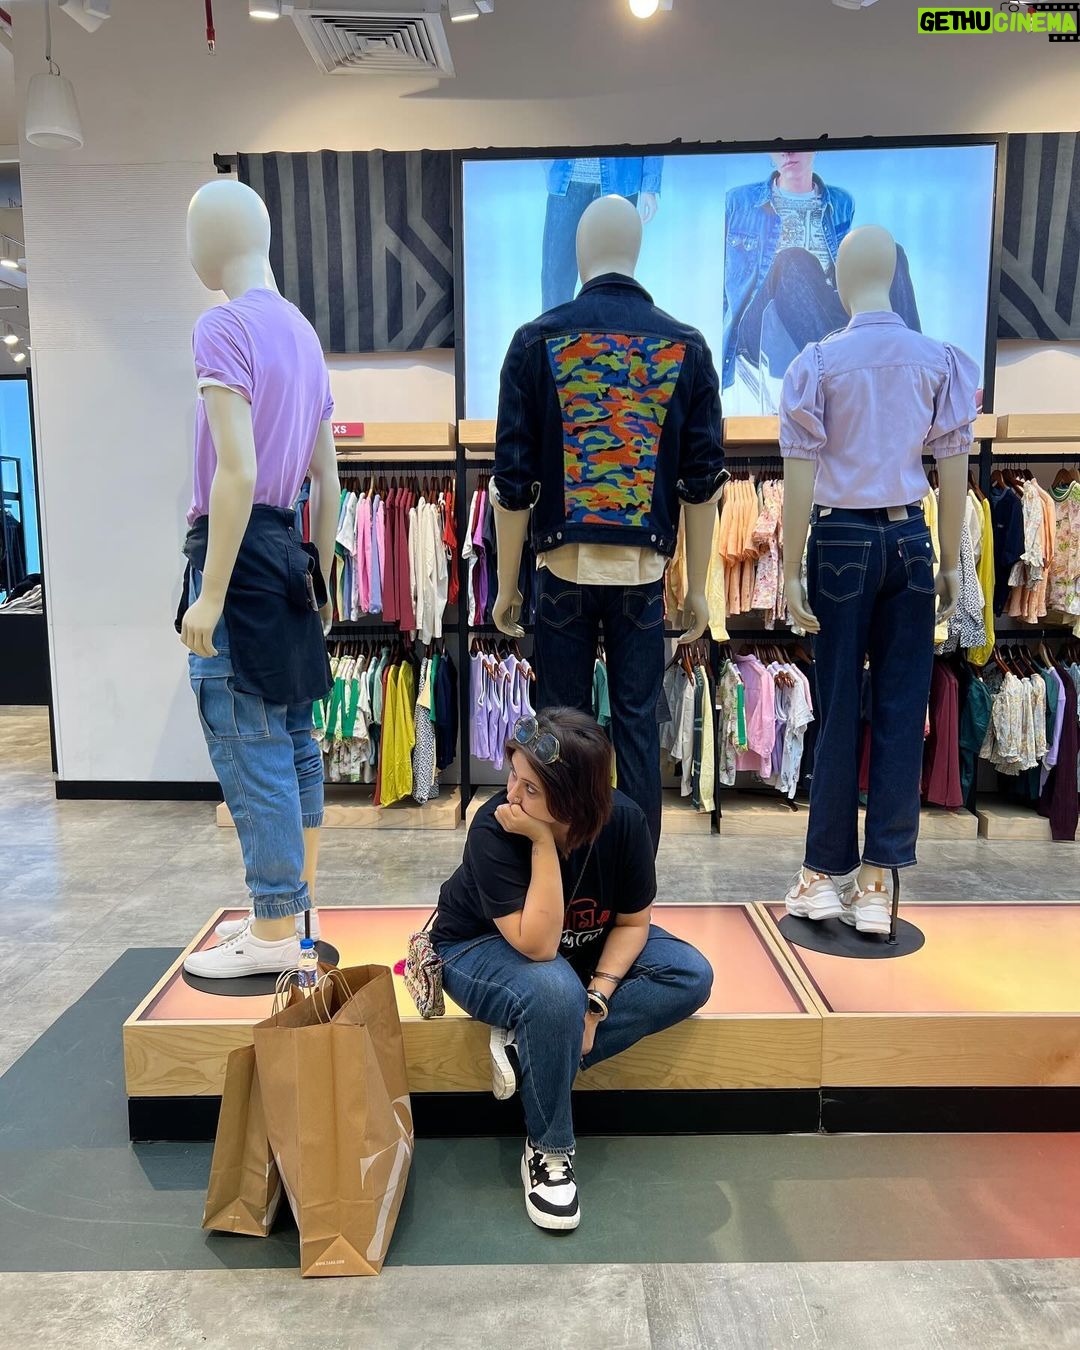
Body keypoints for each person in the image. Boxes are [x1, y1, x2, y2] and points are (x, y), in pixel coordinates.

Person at [431, 707, 713, 1232]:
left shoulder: (624, 821)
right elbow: (537, 946)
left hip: (582, 951)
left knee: (689, 974)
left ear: (578, 798)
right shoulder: (497, 827)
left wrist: (597, 1001)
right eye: (513, 775)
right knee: (556, 989)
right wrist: (541, 841)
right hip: (475, 946)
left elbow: (632, 923)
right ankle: (548, 1149)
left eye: (531, 788)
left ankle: (531, 1049)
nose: (513, 795)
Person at [721, 150, 921, 396]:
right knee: (793, 260)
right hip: (760, 323)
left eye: (797, 143)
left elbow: (841, 274)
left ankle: (915, 367)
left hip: (825, 317)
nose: (787, 152)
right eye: (779, 144)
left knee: (889, 253)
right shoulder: (739, 201)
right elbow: (726, 288)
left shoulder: (841, 201)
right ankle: (845, 372)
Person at [541, 155, 663, 310]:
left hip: (620, 179)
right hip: (565, 180)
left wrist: (650, 184)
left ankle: (612, 326)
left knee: (616, 278)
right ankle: (553, 326)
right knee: (555, 278)